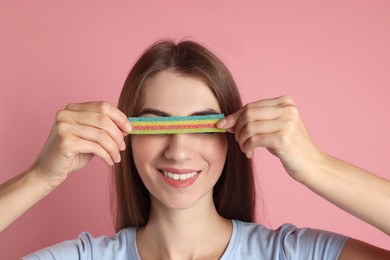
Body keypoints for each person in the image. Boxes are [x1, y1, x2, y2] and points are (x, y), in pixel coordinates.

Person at [0, 40, 389, 259]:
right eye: (155, 124)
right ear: (125, 136)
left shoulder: (293, 254)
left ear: (232, 137)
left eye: (202, 126)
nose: (179, 151)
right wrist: (40, 176)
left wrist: (316, 166)